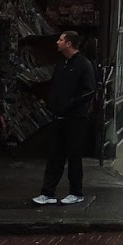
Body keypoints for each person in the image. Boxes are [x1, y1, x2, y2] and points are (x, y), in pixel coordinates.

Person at [34, 31, 97, 206]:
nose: (57, 42)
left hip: (76, 118)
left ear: (69, 44)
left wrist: (71, 104)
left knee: (74, 156)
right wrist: (52, 104)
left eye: (61, 40)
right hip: (59, 116)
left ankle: (76, 192)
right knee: (55, 155)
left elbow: (90, 90)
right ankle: (48, 193)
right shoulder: (62, 63)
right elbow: (55, 84)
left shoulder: (84, 64)